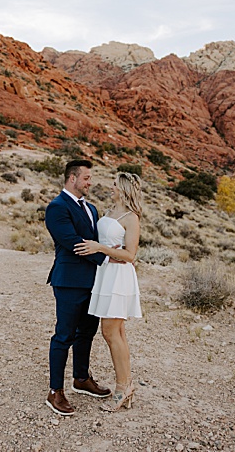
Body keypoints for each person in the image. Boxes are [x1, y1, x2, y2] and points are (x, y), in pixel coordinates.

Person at [44, 159, 115, 416]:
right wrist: (108, 257)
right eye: (86, 178)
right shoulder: (57, 207)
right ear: (72, 178)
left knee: (87, 332)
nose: (90, 182)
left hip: (92, 281)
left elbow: (94, 241)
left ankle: (81, 378)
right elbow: (75, 243)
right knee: (64, 335)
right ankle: (55, 392)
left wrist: (106, 249)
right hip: (68, 282)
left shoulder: (92, 208)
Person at [74, 172, 143, 412]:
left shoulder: (131, 217)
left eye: (114, 184)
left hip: (119, 278)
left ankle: (123, 388)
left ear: (123, 189)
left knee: (110, 332)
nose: (110, 187)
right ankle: (126, 385)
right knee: (117, 331)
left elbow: (130, 255)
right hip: (104, 275)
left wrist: (100, 248)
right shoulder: (109, 211)